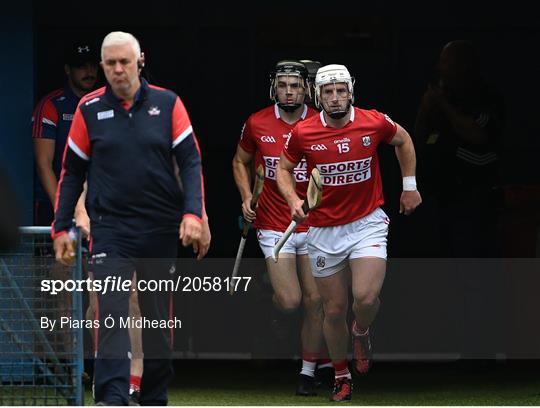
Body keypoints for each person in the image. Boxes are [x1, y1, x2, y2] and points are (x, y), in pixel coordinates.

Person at [52, 31, 205, 405]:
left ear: (140, 61)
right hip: (111, 230)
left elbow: (190, 161)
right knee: (112, 313)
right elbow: (71, 172)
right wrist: (61, 228)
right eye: (110, 64)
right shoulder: (89, 110)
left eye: (125, 62)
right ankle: (112, 397)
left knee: (155, 323)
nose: (118, 70)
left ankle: (153, 395)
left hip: (160, 229)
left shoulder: (169, 104)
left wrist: (193, 213)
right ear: (103, 66)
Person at [276, 64, 422, 401]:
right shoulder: (304, 132)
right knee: (333, 309)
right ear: (318, 95)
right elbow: (284, 168)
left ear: (350, 91)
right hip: (323, 231)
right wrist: (292, 198)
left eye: (341, 90)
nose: (335, 97)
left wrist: (410, 186)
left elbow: (403, 140)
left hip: (366, 222)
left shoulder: (373, 121)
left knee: (366, 298)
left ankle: (361, 331)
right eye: (328, 92)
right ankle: (341, 375)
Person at [232, 60, 329, 396]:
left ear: (307, 89)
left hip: (314, 225)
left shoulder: (321, 123)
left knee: (315, 300)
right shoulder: (256, 123)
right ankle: (269, 303)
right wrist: (246, 197)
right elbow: (240, 161)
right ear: (274, 87)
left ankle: (307, 372)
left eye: (296, 85)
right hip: (274, 223)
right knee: (290, 301)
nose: (290, 91)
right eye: (284, 85)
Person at [414, 40, 504, 257]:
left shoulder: (483, 97)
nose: (440, 67)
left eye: (446, 62)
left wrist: (444, 105)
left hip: (472, 196)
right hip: (438, 194)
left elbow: (478, 135)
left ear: (463, 64)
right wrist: (426, 107)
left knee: (469, 256)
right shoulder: (442, 94)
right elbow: (419, 136)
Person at [32, 41, 99, 226]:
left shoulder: (106, 103)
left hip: (99, 204)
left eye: (93, 65)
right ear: (68, 69)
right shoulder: (51, 105)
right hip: (55, 204)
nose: (89, 71)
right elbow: (43, 163)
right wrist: (63, 213)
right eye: (81, 66)